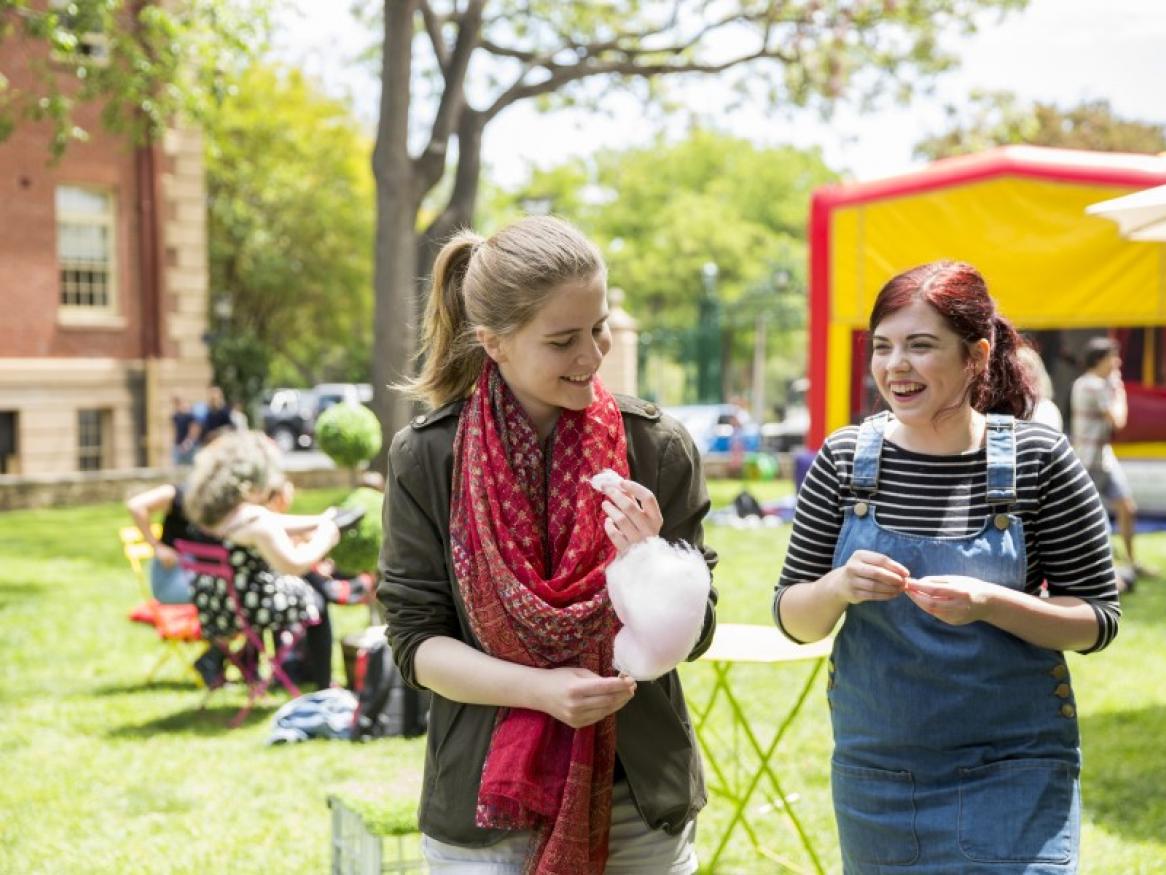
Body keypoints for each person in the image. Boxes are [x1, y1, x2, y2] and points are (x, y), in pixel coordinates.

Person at [378, 215, 717, 874]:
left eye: (600, 328)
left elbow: (696, 633)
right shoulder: (428, 457)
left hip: (637, 797)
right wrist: (540, 690)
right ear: (493, 343)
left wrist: (653, 562)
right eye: (563, 340)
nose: (592, 356)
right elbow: (416, 641)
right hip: (486, 803)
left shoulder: (656, 446)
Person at [774, 260, 1121, 874]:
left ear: (975, 356)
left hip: (1015, 770)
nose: (894, 365)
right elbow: (795, 618)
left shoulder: (1039, 459)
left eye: (920, 346)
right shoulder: (844, 459)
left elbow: (1095, 618)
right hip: (878, 780)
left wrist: (991, 604)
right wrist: (837, 585)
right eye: (882, 346)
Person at [183, 430, 341, 690]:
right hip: (253, 607)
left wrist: (320, 519)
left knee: (309, 587)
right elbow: (294, 563)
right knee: (318, 597)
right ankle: (324, 686)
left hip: (216, 607)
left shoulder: (221, 515)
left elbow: (275, 523)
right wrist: (326, 536)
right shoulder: (255, 520)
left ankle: (227, 660)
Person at [1070, 337, 1155, 580]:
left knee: (1127, 508)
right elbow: (1118, 420)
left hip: (1104, 458)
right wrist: (1120, 391)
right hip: (1089, 461)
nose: (1117, 362)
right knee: (1090, 520)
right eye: (1113, 357)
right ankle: (1099, 572)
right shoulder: (1092, 385)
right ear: (1099, 359)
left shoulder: (1091, 383)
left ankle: (1130, 563)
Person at [1017, 344, 1063, 431]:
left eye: (1029, 367)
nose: (1025, 373)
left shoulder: (1046, 409)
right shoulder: (1002, 410)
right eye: (1018, 368)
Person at [170, 396, 201, 465]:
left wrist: (188, 443)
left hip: (190, 446)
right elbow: (175, 430)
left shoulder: (190, 415)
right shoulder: (175, 416)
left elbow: (195, 430)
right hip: (178, 445)